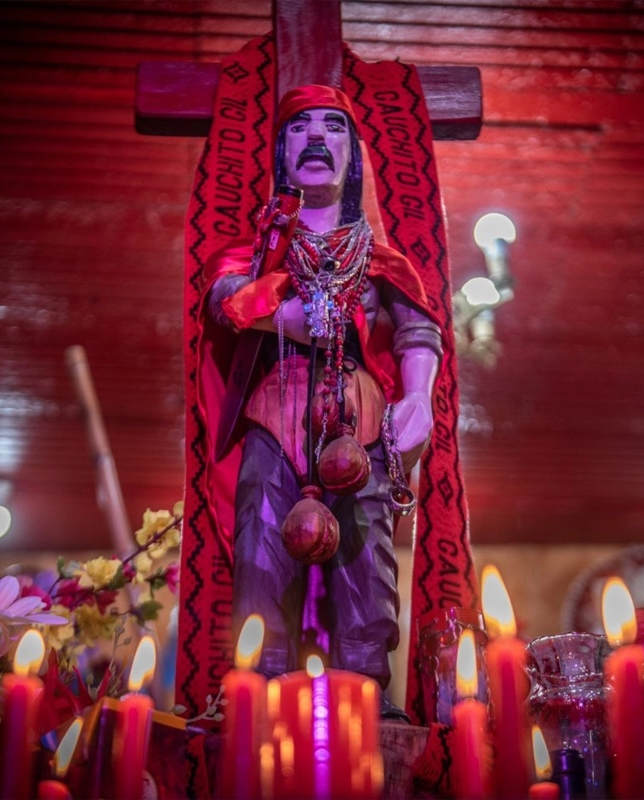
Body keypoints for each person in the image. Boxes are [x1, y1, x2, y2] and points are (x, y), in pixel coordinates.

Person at [202, 85, 443, 712]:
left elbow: (419, 327)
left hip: (357, 417)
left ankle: (368, 693)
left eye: (332, 127)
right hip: (274, 409)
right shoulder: (254, 255)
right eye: (299, 128)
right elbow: (226, 302)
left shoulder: (379, 258)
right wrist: (288, 309)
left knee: (366, 554)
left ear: (353, 153)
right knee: (259, 550)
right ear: (280, 151)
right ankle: (258, 691)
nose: (315, 138)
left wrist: (418, 396)